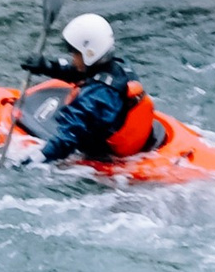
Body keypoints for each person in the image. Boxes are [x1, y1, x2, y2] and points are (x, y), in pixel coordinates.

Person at [31, 14, 161, 165]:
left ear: (90, 54)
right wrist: (47, 66)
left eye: (75, 53)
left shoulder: (97, 96)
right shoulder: (121, 67)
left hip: (109, 155)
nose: (73, 58)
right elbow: (80, 72)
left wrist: (32, 161)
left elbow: (67, 139)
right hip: (141, 139)